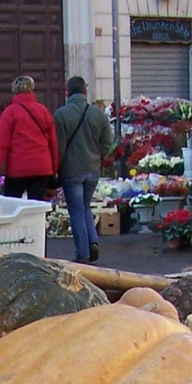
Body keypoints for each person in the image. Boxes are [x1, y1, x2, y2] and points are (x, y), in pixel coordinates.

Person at [53, 77, 115, 263]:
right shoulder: (98, 114)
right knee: (86, 206)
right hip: (93, 168)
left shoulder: (61, 115)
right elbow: (108, 142)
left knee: (77, 210)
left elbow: (58, 147)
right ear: (85, 92)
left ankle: (83, 253)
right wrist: (99, 157)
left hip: (72, 171)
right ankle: (93, 241)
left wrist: (57, 168)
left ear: (67, 92)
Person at [0, 75, 58, 200]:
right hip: (41, 167)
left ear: (15, 90)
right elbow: (53, 143)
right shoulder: (43, 111)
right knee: (36, 209)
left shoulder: (10, 112)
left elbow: (1, 143)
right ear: (32, 89)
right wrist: (54, 168)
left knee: (11, 207)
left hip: (17, 168)